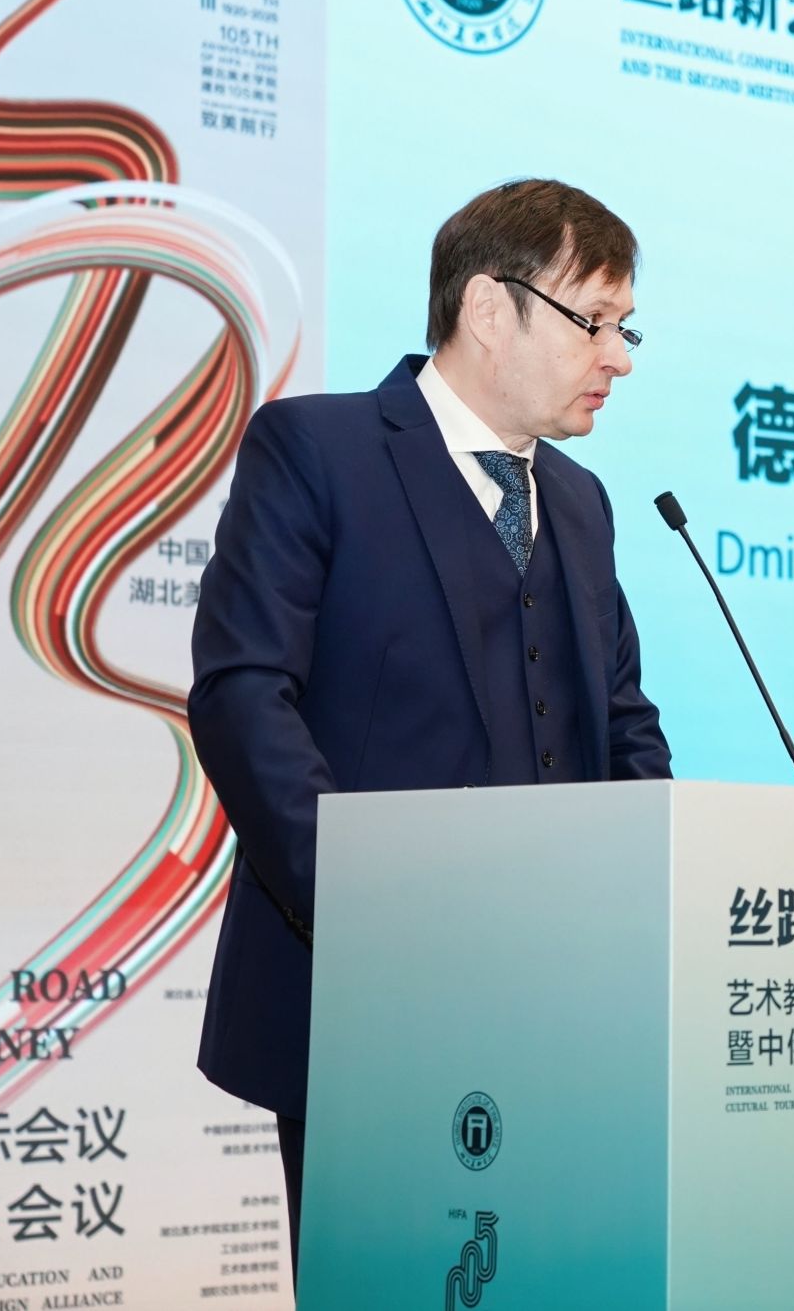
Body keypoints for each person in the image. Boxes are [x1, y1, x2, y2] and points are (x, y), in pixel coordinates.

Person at [186, 179, 673, 1281]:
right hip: (369, 1003)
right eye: (595, 322)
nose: (619, 357)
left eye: (626, 328)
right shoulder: (317, 449)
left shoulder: (582, 503)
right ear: (489, 309)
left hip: (567, 1014)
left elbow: (623, 724)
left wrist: (656, 902)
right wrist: (365, 911)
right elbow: (243, 693)